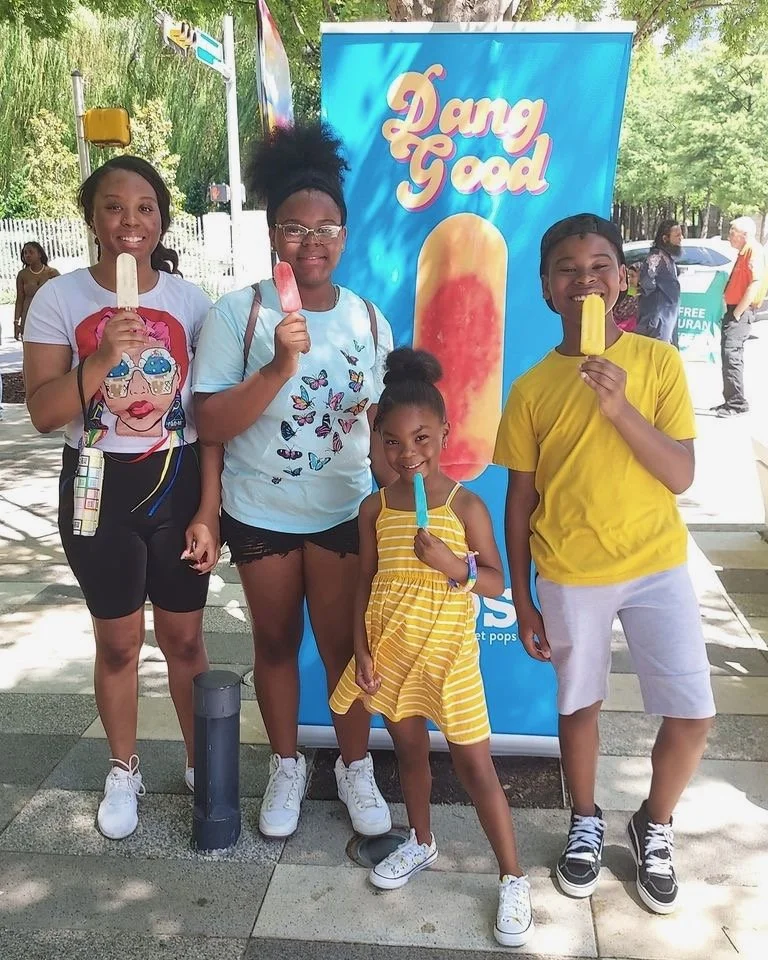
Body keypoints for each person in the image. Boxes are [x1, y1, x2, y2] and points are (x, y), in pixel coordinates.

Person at [495, 213, 714, 916]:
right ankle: (584, 817)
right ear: (546, 290)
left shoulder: (658, 364)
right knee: (578, 701)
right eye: (567, 269)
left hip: (655, 564)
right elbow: (519, 498)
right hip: (569, 570)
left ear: (622, 281)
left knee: (693, 712)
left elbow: (679, 473)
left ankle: (654, 820)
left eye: (599, 266)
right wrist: (524, 599)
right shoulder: (530, 390)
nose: (584, 279)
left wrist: (619, 408)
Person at [192, 122, 394, 840]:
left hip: (346, 514)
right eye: (293, 227)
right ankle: (286, 763)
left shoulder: (370, 320)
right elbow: (209, 422)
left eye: (325, 228)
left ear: (344, 233)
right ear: (272, 233)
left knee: (345, 649)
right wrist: (277, 367)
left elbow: (383, 430)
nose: (311, 241)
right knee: (274, 644)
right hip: (261, 513)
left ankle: (353, 765)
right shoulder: (237, 314)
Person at [23, 156, 221, 840]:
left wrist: (209, 509)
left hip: (177, 478)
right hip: (95, 486)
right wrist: (102, 358)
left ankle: (203, 765)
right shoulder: (60, 299)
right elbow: (45, 414)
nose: (131, 221)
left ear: (162, 217)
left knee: (187, 641)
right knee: (117, 645)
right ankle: (123, 766)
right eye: (114, 207)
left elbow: (208, 419)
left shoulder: (192, 303)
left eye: (145, 207)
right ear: (93, 219)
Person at [331, 347, 534, 948]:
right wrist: (363, 650)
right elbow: (367, 583)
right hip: (393, 652)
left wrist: (455, 565)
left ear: (445, 432)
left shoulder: (465, 504)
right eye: (392, 442)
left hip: (449, 659)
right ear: (378, 443)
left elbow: (495, 578)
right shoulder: (373, 508)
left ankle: (513, 875)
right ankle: (420, 839)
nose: (408, 455)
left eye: (421, 438)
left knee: (476, 767)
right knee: (409, 753)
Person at [712, 216, 767, 418]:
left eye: (732, 231)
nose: (729, 235)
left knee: (731, 354)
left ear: (744, 234)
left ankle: (736, 402)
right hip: (734, 310)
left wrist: (737, 313)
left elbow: (755, 283)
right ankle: (730, 399)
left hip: (741, 312)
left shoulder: (753, 250)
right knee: (727, 355)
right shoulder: (744, 252)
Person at [636, 219, 682, 346]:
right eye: (677, 235)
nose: (681, 238)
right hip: (657, 319)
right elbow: (646, 282)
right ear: (665, 238)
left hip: (668, 317)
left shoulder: (667, 257)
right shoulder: (655, 257)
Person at [14, 241, 60, 340]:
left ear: (39, 254)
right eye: (25, 253)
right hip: (28, 316)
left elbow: (62, 297)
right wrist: (16, 321)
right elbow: (19, 300)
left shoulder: (52, 273)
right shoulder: (22, 275)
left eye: (31, 252)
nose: (27, 255)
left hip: (48, 317)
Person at [613, 262, 640, 332]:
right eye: (628, 276)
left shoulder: (641, 298)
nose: (629, 279)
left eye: (633, 276)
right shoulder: (621, 291)